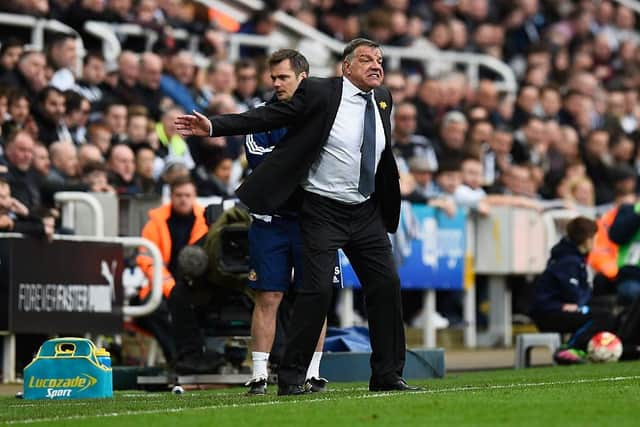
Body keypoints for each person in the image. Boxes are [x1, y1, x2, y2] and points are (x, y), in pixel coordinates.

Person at [176, 38, 419, 394]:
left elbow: (378, 150)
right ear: (345, 67)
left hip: (365, 209)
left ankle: (386, 374)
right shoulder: (320, 92)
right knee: (315, 291)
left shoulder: (383, 97)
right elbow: (271, 114)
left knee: (385, 286)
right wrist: (214, 126)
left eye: (379, 59)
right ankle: (291, 378)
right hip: (322, 208)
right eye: (366, 59)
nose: (375, 65)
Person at [242, 49, 330, 395]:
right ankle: (260, 373)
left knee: (316, 296)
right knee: (269, 294)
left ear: (302, 77)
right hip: (271, 220)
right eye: (274, 78)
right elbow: (261, 164)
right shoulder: (262, 116)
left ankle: (313, 371)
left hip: (315, 220)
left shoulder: (325, 115)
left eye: (284, 77)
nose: (276, 83)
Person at [136, 176, 213, 372]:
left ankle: (198, 357)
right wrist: (170, 286)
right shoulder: (155, 223)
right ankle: (177, 358)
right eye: (179, 195)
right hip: (161, 287)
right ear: (171, 196)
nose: (183, 199)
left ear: (194, 196)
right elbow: (147, 260)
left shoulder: (205, 222)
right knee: (154, 309)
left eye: (187, 195)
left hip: (195, 286)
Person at [530, 216, 617, 364]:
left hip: (557, 308)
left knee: (605, 309)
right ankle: (570, 348)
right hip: (549, 312)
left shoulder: (572, 257)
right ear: (587, 239)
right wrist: (578, 305)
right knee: (602, 316)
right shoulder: (568, 261)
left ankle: (585, 348)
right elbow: (574, 295)